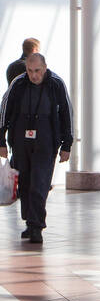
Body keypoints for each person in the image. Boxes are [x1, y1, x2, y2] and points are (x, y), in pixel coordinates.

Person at [0, 53, 73, 245]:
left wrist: (67, 144)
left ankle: (37, 225)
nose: (34, 75)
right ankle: (30, 222)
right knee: (24, 183)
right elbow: (4, 111)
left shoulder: (56, 83)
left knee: (39, 184)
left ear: (45, 67)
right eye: (30, 71)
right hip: (20, 140)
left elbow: (67, 113)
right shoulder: (18, 83)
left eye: (37, 71)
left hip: (46, 141)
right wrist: (1, 142)